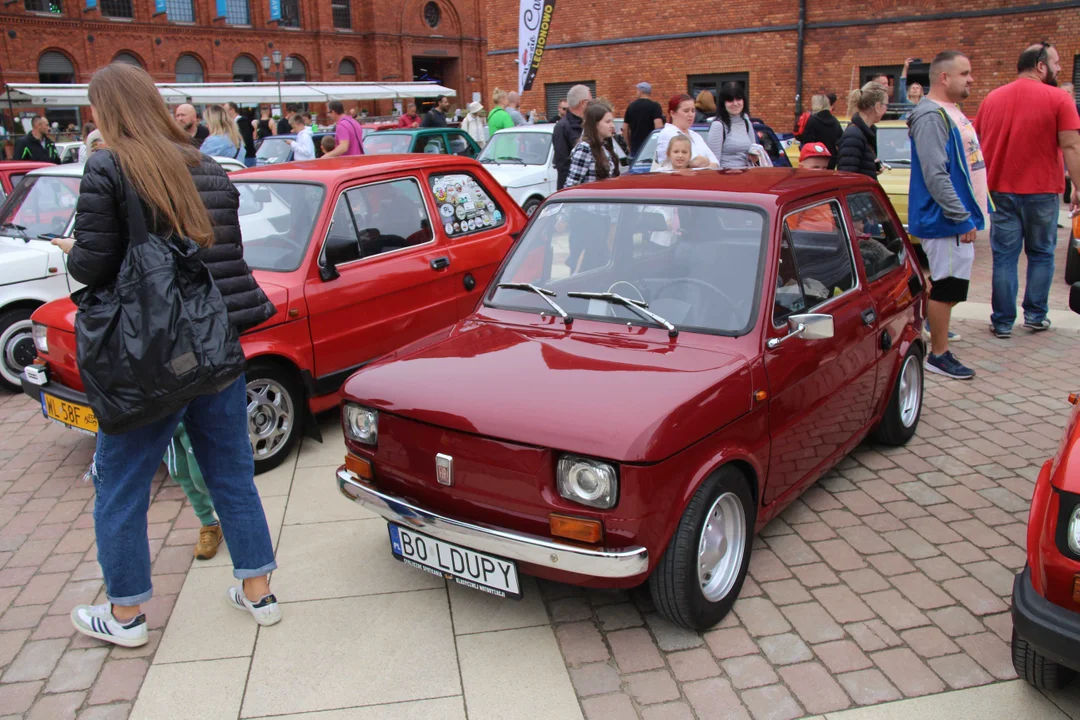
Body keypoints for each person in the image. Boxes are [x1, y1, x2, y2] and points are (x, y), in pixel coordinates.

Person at [49, 63, 280, 647]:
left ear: (108, 111)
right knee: (232, 473)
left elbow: (94, 268)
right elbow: (224, 261)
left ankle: (125, 616)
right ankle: (260, 593)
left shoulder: (108, 166)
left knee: (119, 483)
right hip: (216, 347)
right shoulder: (207, 167)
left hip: (149, 356)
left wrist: (71, 251)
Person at [975, 42, 1080, 338]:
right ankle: (1035, 315)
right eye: (1056, 63)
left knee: (1005, 257)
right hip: (1042, 190)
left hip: (1000, 190)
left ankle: (1003, 321)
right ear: (1041, 66)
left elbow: (977, 143)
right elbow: (1072, 145)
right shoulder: (1059, 98)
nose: (1059, 68)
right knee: (1042, 254)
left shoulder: (992, 98)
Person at [908, 50, 985, 380]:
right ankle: (938, 355)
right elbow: (935, 174)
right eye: (965, 73)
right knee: (948, 287)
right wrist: (961, 217)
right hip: (945, 222)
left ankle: (932, 328)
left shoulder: (950, 112)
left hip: (954, 219)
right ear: (944, 77)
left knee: (946, 285)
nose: (971, 79)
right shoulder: (931, 117)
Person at [165, 423, 223, 560]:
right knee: (179, 472)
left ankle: (235, 516)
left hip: (191, 412)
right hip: (160, 418)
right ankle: (209, 524)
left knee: (202, 475)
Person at [836, 82, 889, 178]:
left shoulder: (864, 133)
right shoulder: (854, 136)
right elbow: (847, 176)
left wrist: (872, 169)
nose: (886, 109)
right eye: (886, 105)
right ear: (877, 107)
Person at [705, 83, 763, 169]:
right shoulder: (718, 126)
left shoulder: (746, 122)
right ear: (723, 103)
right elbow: (714, 163)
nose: (735, 103)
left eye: (738, 99)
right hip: (726, 178)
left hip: (747, 177)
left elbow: (753, 150)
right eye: (730, 100)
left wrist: (755, 157)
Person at [656, 94, 719, 170]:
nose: (691, 114)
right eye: (686, 111)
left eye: (693, 111)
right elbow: (696, 162)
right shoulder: (667, 132)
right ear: (673, 113)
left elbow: (716, 163)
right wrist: (705, 162)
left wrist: (703, 162)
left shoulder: (695, 135)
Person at [565, 103, 617, 188]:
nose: (612, 126)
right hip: (590, 199)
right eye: (608, 122)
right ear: (596, 125)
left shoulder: (605, 146)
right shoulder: (584, 148)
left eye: (612, 121)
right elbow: (571, 186)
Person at [553, 84, 592, 189]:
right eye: (590, 102)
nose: (593, 105)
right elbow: (563, 164)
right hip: (573, 189)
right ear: (583, 103)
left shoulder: (589, 123)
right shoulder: (562, 127)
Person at [799, 94, 843, 169]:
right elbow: (841, 140)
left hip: (815, 159)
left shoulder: (812, 120)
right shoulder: (835, 121)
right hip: (831, 159)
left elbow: (807, 142)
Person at [622, 81, 664, 157]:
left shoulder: (631, 107)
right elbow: (658, 127)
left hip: (636, 147)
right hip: (651, 148)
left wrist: (629, 145)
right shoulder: (655, 106)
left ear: (640, 91)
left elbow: (625, 128)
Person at [225, 103, 257, 167]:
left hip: (247, 156)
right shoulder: (234, 122)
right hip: (243, 155)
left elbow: (246, 139)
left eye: (225, 111)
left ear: (232, 110)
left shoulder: (242, 122)